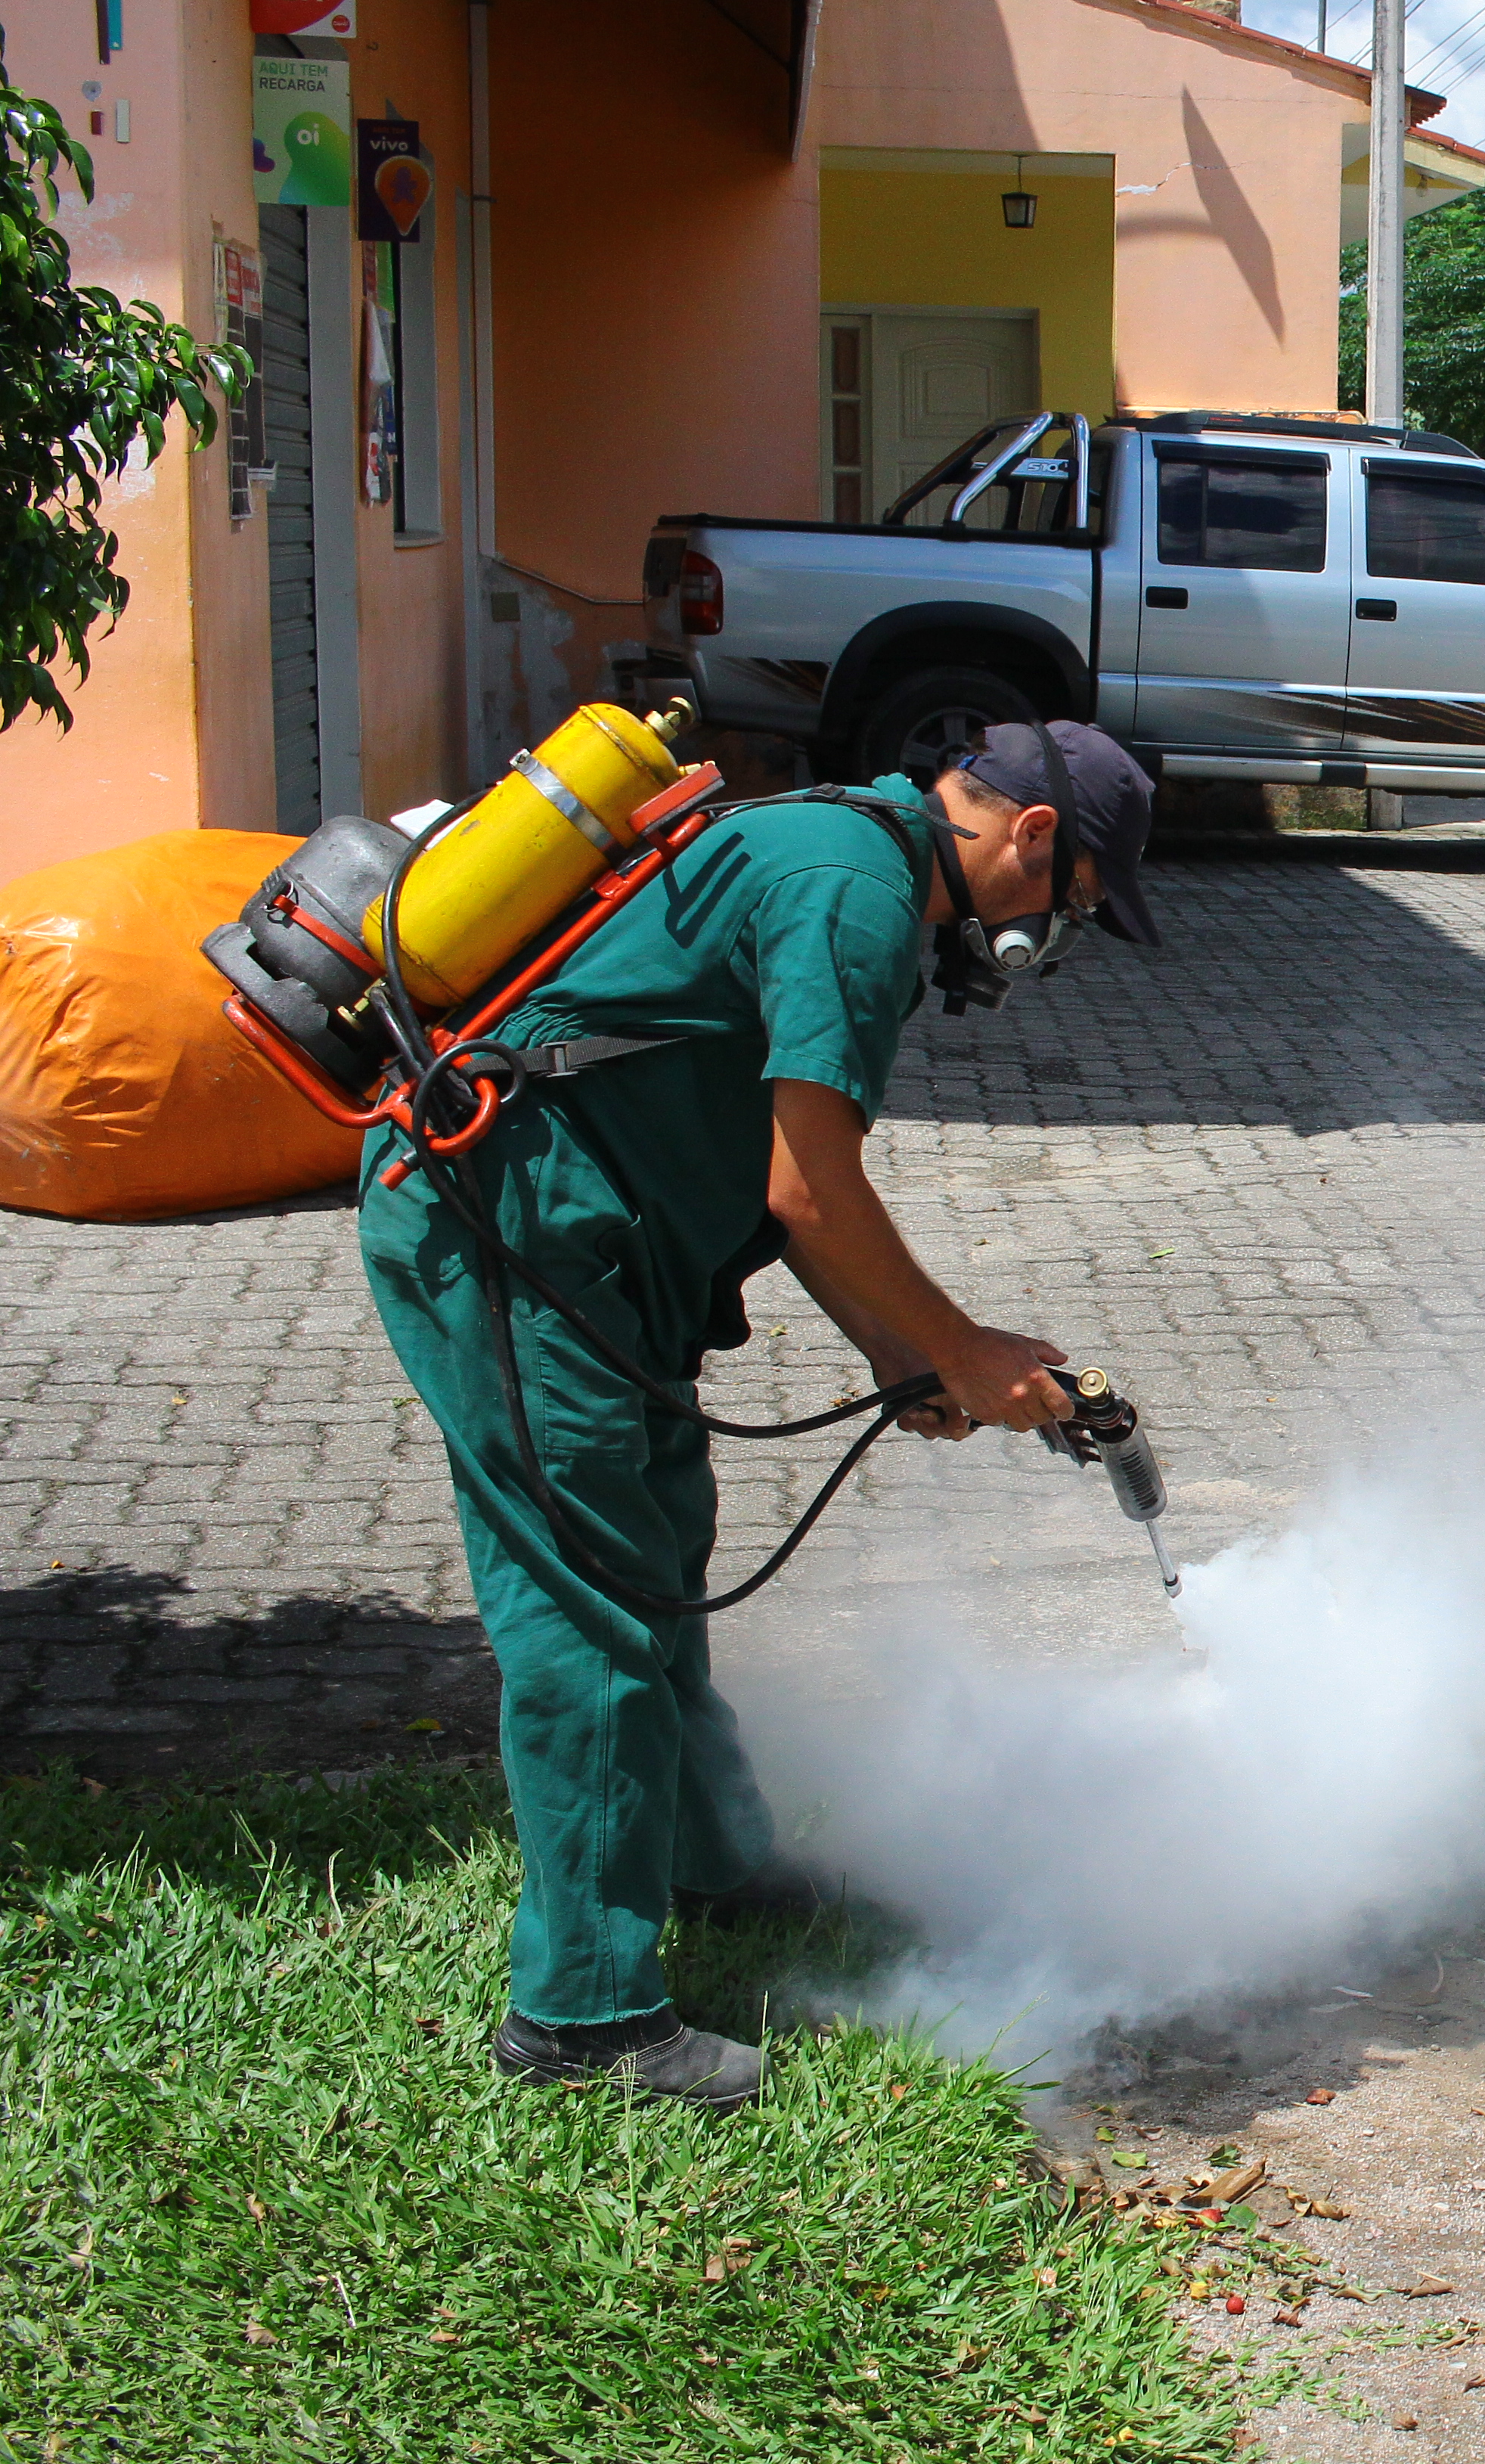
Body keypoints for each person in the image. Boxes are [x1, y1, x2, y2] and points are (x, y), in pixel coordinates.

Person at [356, 719, 1163, 2111]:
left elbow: (772, 1164)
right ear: (1031, 835)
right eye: (1072, 900)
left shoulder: (850, 850)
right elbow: (810, 1188)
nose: (1052, 934)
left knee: (657, 1550)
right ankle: (585, 2017)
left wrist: (897, 1350)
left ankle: (714, 1862)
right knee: (589, 1606)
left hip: (598, 1251)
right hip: (511, 1230)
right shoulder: (857, 896)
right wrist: (957, 1344)